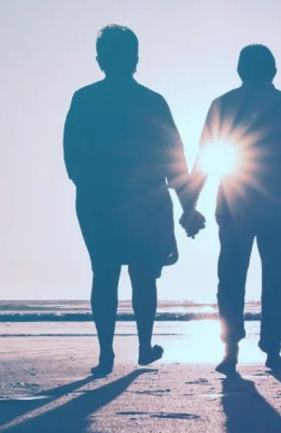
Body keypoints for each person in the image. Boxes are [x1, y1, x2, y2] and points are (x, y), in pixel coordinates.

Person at [63, 25, 205, 376]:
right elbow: (176, 159)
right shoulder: (152, 102)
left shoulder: (84, 99)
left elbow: (72, 154)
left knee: (104, 272)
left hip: (98, 200)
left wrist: (90, 183)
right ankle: (144, 346)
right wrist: (188, 207)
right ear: (136, 60)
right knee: (144, 275)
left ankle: (105, 354)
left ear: (100, 60)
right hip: (146, 201)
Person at [189, 45, 281, 374]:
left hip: (233, 204)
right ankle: (272, 349)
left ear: (240, 71)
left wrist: (190, 205)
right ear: (273, 71)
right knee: (274, 277)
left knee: (230, 277)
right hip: (274, 206)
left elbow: (203, 160)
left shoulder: (223, 104)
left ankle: (231, 350)